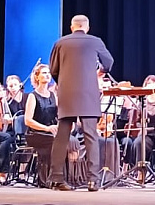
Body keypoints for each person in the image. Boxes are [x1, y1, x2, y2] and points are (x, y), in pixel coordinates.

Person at [48, 14, 114, 192]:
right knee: (91, 136)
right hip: (88, 94)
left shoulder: (60, 43)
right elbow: (109, 63)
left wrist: (63, 82)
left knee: (62, 136)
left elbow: (53, 70)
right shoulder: (95, 41)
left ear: (72, 27)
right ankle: (93, 180)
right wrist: (99, 72)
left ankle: (56, 179)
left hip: (66, 93)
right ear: (87, 27)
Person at [24, 63, 59, 188]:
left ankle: (65, 177)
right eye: (44, 73)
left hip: (51, 131)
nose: (47, 75)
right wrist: (46, 128)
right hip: (35, 133)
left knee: (70, 140)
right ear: (37, 77)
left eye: (48, 73)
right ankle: (48, 179)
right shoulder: (32, 96)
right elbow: (28, 120)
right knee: (54, 142)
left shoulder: (53, 95)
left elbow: (58, 115)